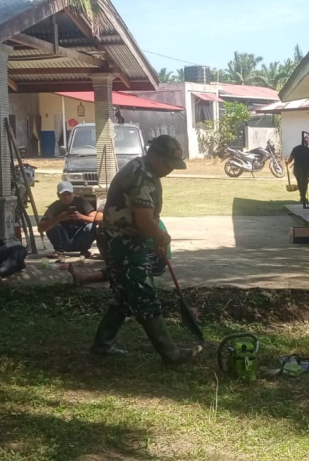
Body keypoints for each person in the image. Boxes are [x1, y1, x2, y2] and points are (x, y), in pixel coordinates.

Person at [89, 135, 202, 365]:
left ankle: (102, 345)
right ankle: (171, 354)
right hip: (121, 241)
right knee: (144, 294)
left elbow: (145, 219)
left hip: (122, 238)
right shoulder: (141, 176)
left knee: (125, 295)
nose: (170, 169)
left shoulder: (145, 169)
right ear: (154, 156)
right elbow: (144, 221)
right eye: (168, 164)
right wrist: (161, 237)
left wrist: (154, 237)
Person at [38, 181, 101, 257]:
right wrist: (58, 219)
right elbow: (40, 228)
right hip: (63, 239)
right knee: (52, 224)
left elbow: (96, 219)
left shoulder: (81, 202)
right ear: (58, 195)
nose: (67, 197)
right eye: (63, 195)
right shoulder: (54, 206)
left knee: (91, 226)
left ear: (73, 193)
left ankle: (84, 250)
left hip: (79, 238)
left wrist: (81, 217)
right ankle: (59, 250)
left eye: (69, 194)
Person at [286, 136, 309, 204]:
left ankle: (302, 197)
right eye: (308, 142)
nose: (308, 143)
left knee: (299, 182)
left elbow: (291, 158)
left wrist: (287, 162)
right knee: (304, 183)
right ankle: (303, 197)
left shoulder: (296, 149)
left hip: (297, 169)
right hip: (304, 169)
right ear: (306, 142)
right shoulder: (308, 150)